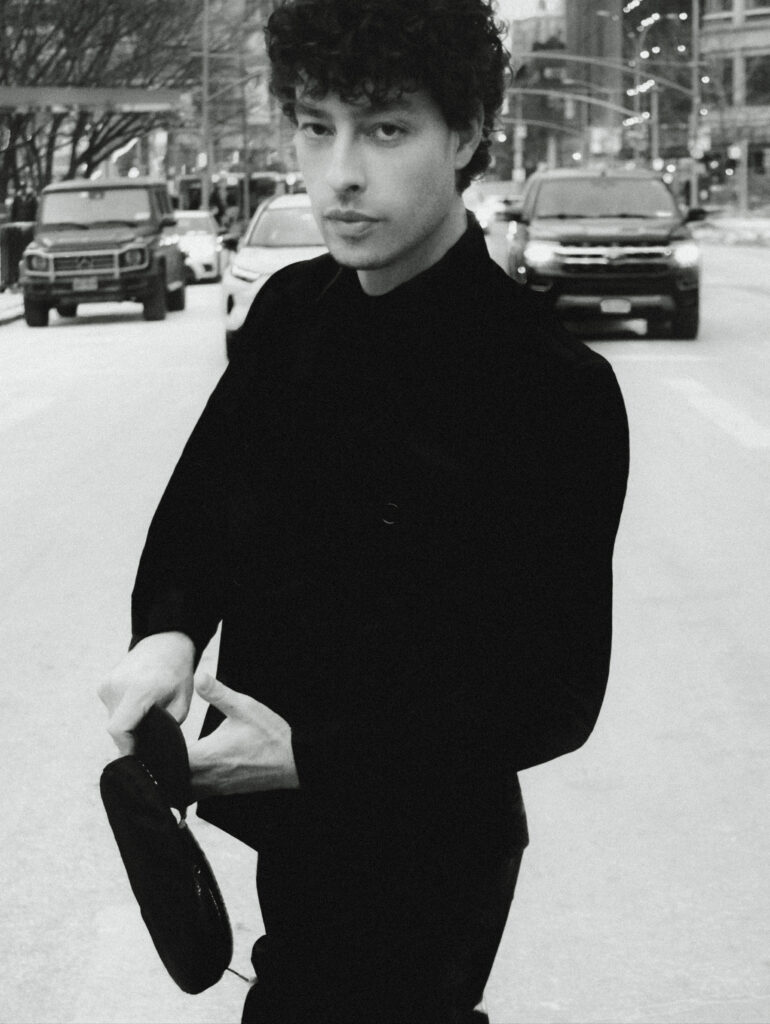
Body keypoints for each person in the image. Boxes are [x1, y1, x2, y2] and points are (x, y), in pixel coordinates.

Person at [99, 0, 629, 1020]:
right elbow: (199, 515)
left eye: (385, 129)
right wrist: (165, 635)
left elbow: (551, 693)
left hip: (428, 853)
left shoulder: (546, 386)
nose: (340, 171)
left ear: (467, 133)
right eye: (314, 124)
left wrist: (313, 755)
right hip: (287, 836)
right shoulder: (293, 315)